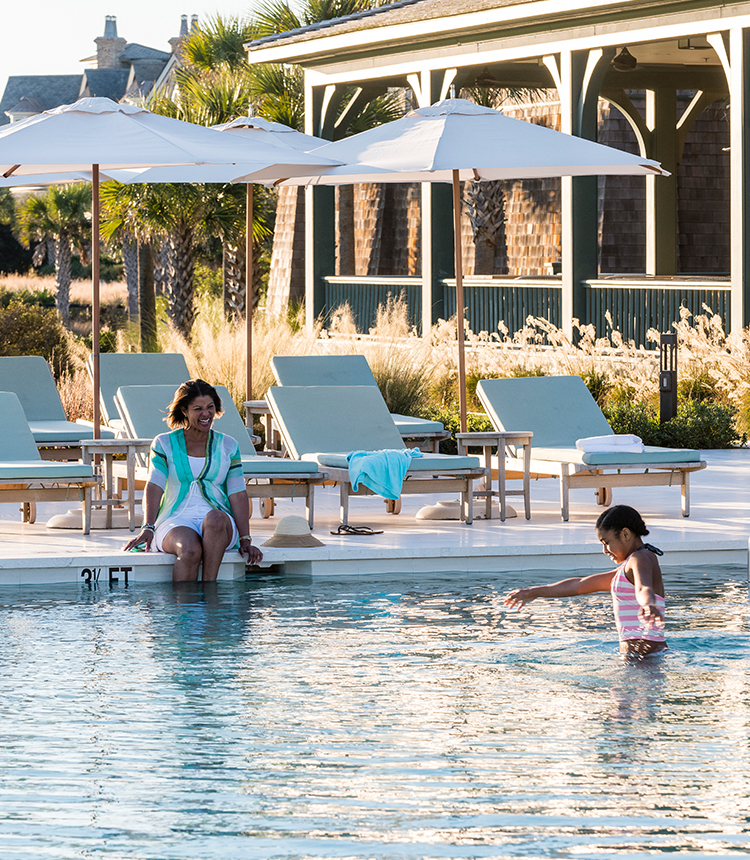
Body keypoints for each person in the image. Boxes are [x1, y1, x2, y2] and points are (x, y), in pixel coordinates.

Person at [123, 379, 263, 580]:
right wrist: (148, 527)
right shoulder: (164, 443)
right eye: (198, 408)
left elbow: (238, 493)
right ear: (184, 410)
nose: (206, 414)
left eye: (210, 407)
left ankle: (210, 597)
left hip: (219, 522)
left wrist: (246, 539)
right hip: (175, 519)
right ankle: (184, 610)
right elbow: (155, 485)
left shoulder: (229, 445)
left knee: (215, 518)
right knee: (189, 550)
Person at [504, 505, 666, 657]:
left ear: (625, 534)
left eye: (606, 542)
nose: (604, 551)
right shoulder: (626, 569)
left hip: (645, 660)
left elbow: (643, 588)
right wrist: (533, 592)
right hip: (640, 658)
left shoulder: (641, 557)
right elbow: (580, 585)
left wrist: (648, 604)